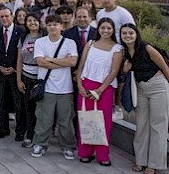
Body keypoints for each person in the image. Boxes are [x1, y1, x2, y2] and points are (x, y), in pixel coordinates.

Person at [120, 23, 169, 174]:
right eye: (124, 34)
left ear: (136, 34)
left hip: (158, 86)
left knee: (158, 125)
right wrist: (125, 70)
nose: (128, 36)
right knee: (141, 124)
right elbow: (124, 74)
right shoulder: (125, 53)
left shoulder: (147, 48)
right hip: (140, 88)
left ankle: (154, 163)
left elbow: (165, 68)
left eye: (130, 33)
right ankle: (140, 160)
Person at [75, 18, 123, 165]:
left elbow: (114, 72)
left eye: (109, 28)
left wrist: (100, 90)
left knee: (103, 122)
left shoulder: (117, 49)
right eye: (103, 28)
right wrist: (80, 86)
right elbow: (80, 66)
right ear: (98, 29)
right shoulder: (90, 44)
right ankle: (85, 152)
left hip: (105, 88)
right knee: (85, 119)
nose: (105, 31)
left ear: (113, 30)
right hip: (86, 84)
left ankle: (103, 155)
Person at [31, 14, 78, 159]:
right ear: (46, 26)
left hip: (65, 89)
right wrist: (62, 61)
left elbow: (72, 63)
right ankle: (40, 144)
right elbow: (40, 62)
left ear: (61, 26)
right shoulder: (40, 42)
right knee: (44, 119)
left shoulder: (70, 43)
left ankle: (68, 146)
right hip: (47, 88)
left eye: (55, 24)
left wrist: (50, 59)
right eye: (50, 25)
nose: (52, 27)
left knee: (65, 120)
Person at [0, 7, 24, 140]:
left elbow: (23, 53)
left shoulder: (21, 31)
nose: (4, 19)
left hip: (15, 73)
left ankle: (20, 131)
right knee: (1, 103)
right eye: (1, 17)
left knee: (18, 104)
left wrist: (14, 68)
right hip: (0, 74)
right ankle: (3, 129)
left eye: (7, 16)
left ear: (12, 16)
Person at [16, 12, 44, 148]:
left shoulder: (44, 36)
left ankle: (41, 137)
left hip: (41, 78)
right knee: (28, 109)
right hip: (27, 76)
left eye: (35, 20)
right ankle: (29, 135)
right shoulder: (24, 37)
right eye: (29, 21)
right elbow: (19, 60)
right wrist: (19, 79)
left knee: (42, 110)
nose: (32, 23)